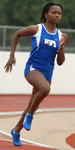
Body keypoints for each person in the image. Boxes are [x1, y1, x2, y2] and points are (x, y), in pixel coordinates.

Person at [4, 2, 67, 146]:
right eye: (54, 12)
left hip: (48, 73)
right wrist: (12, 55)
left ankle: (16, 130)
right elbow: (17, 33)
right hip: (33, 69)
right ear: (46, 14)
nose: (57, 15)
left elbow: (60, 62)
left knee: (32, 103)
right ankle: (30, 115)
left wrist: (62, 46)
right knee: (45, 89)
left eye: (59, 13)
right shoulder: (37, 29)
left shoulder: (59, 35)